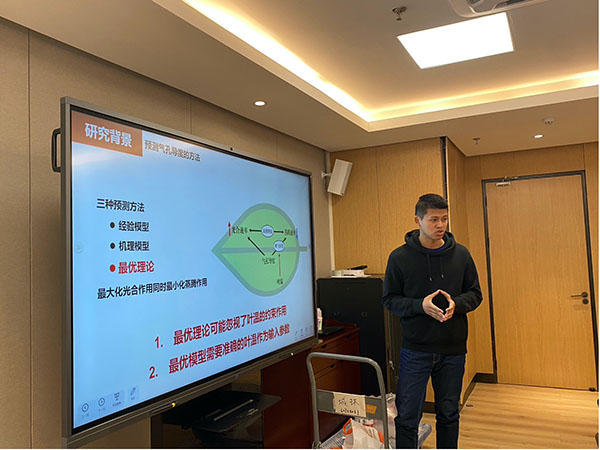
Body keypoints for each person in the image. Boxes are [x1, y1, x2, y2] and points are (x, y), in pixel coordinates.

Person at [382, 193, 482, 449]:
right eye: (434, 219)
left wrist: (456, 304)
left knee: (449, 414)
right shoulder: (399, 257)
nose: (440, 225)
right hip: (415, 349)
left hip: (452, 349)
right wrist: (420, 306)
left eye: (444, 219)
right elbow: (390, 299)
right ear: (418, 220)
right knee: (407, 417)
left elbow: (475, 294)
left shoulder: (461, 255)